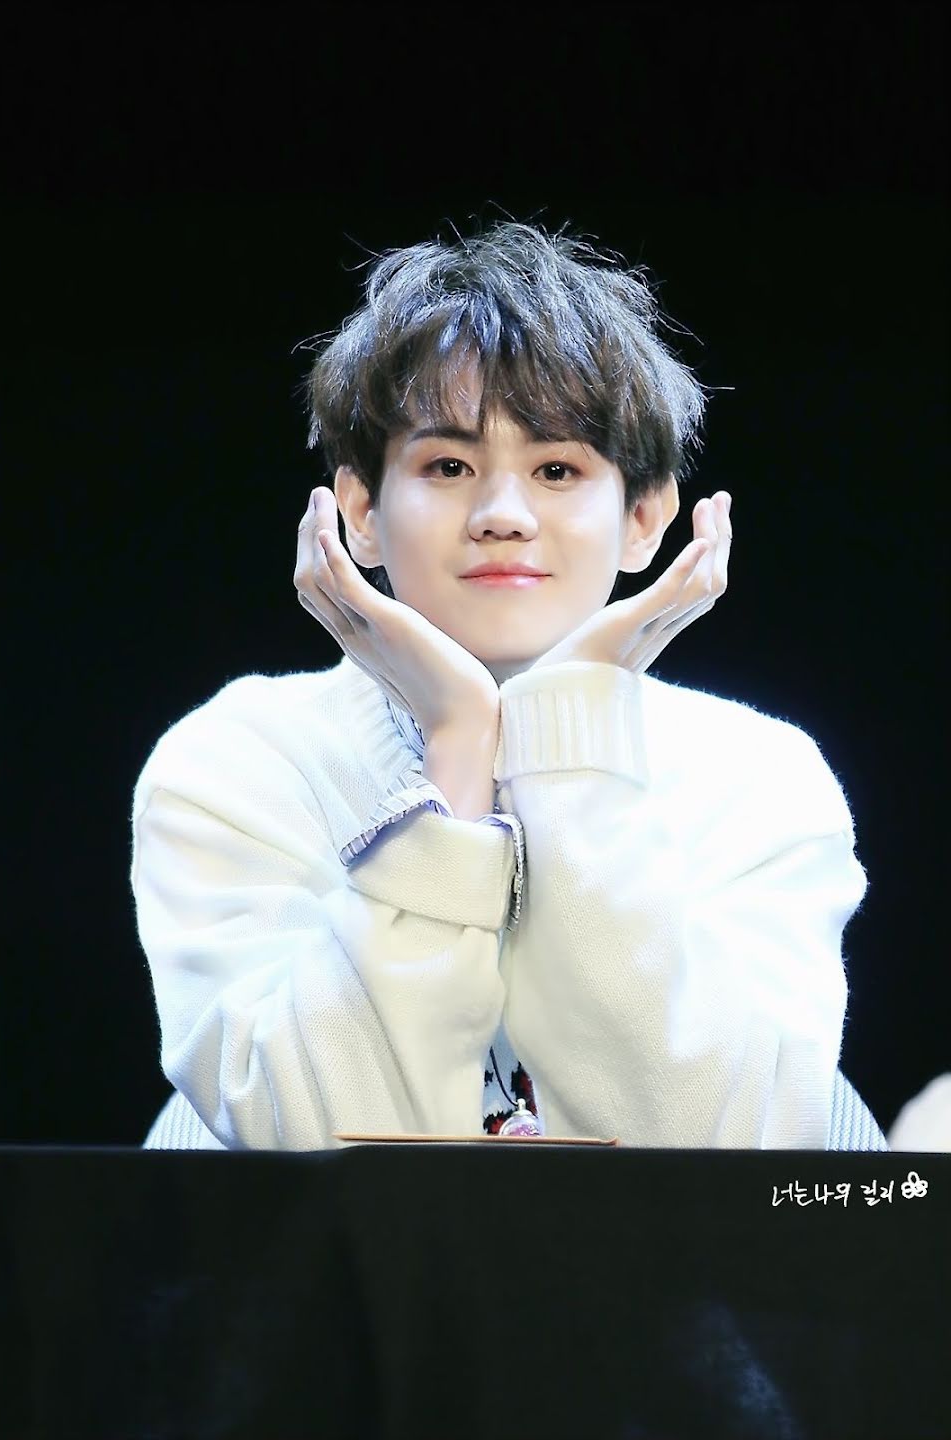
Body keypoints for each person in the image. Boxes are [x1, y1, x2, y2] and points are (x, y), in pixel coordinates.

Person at [132, 218, 887, 1151]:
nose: (502, 514)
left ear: (645, 518)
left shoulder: (758, 776)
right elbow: (325, 1148)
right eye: (449, 466)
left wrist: (566, 729)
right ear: (360, 510)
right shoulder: (240, 760)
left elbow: (711, 1154)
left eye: (557, 468)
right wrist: (457, 748)